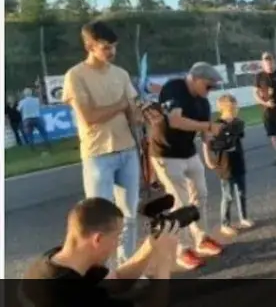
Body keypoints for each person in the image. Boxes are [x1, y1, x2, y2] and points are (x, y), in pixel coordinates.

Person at [60, 21, 143, 265]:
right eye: (106, 47)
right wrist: (121, 105)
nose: (111, 52)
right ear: (89, 46)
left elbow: (133, 114)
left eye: (114, 47)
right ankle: (101, 271)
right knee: (99, 221)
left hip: (127, 150)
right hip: (98, 155)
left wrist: (143, 113)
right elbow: (89, 117)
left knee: (128, 215)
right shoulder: (75, 75)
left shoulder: (121, 74)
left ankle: (127, 267)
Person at [20, 196, 178, 307]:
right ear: (98, 239)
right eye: (118, 236)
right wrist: (163, 262)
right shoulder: (71, 295)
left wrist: (150, 245)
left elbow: (116, 281)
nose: (117, 244)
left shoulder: (53, 260)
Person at [145, 62, 226, 269]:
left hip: (189, 152)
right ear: (196, 79)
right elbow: (175, 121)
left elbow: (205, 133)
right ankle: (182, 249)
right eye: (209, 85)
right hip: (166, 153)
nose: (211, 90)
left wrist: (213, 146)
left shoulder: (203, 102)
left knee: (201, 194)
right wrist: (208, 126)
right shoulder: (174, 88)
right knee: (179, 203)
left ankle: (202, 238)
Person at [200, 94, 253, 237]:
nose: (236, 108)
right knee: (228, 195)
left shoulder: (238, 123)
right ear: (223, 108)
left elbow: (235, 138)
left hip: (238, 161)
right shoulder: (216, 125)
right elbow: (208, 142)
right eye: (232, 106)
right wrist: (208, 160)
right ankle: (225, 224)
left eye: (235, 105)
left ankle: (243, 217)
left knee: (241, 192)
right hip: (224, 164)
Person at [18, 86, 52, 151]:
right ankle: (47, 143)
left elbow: (18, 109)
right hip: (36, 117)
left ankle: (32, 147)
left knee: (29, 134)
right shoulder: (36, 100)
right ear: (31, 93)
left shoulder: (22, 101)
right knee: (43, 132)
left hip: (27, 119)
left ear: (24, 94)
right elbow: (41, 105)